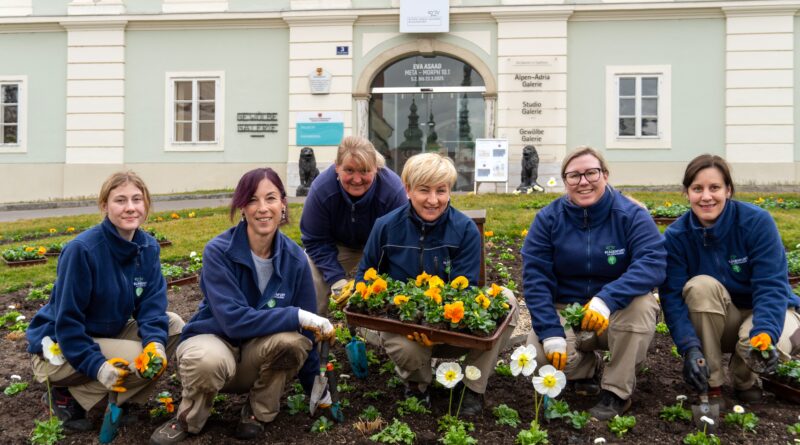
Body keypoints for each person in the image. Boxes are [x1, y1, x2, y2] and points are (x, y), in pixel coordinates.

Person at [150, 168, 335, 444]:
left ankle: (257, 413)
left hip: (256, 357)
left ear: (283, 204)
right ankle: (188, 418)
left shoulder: (295, 259)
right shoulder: (219, 251)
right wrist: (296, 314)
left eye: (271, 198)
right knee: (206, 360)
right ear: (242, 208)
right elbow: (234, 321)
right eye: (252, 200)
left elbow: (306, 337)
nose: (263, 208)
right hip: (215, 343)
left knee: (293, 342)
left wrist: (317, 391)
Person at [354, 152, 518, 416]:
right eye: (424, 190)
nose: (433, 200)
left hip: (453, 327)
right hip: (404, 326)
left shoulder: (464, 229)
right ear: (407, 190)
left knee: (507, 301)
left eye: (441, 191)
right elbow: (364, 278)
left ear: (449, 191)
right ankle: (418, 385)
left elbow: (465, 292)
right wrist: (407, 321)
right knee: (406, 347)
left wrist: (434, 325)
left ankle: (472, 387)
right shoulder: (386, 227)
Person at [26, 171, 185, 432]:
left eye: (137, 199)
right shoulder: (83, 250)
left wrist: (155, 344)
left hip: (104, 334)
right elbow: (67, 324)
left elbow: (152, 307)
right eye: (120, 200)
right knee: (139, 359)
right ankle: (67, 398)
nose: (130, 207)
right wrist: (98, 366)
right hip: (58, 350)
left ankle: (114, 398)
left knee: (173, 329)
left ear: (146, 204)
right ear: (104, 206)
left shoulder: (147, 247)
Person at [521, 146, 666, 420]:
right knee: (540, 356)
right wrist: (551, 331)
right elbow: (535, 278)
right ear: (565, 182)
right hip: (566, 307)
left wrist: (606, 299)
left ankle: (616, 392)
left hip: (616, 311)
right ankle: (585, 367)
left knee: (642, 305)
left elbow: (653, 262)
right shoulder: (548, 220)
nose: (583, 181)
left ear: (605, 175)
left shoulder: (631, 215)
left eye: (591, 173)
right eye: (574, 175)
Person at [661, 154, 800, 404]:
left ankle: (745, 379)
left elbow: (771, 286)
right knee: (700, 285)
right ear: (686, 193)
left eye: (714, 187)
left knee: (764, 344)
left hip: (768, 312)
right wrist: (690, 348)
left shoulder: (756, 222)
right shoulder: (676, 236)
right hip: (722, 317)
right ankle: (710, 384)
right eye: (697, 189)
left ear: (728, 190)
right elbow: (671, 298)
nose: (706, 197)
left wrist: (765, 331)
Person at [301, 135, 406, 315]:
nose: (357, 179)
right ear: (337, 167)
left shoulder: (392, 190)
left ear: (376, 169)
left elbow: (400, 242)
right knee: (308, 273)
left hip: (381, 248)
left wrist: (367, 282)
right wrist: (336, 279)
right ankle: (313, 332)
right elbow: (315, 240)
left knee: (391, 286)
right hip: (339, 245)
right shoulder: (322, 189)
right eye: (349, 170)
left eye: (364, 171)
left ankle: (382, 333)